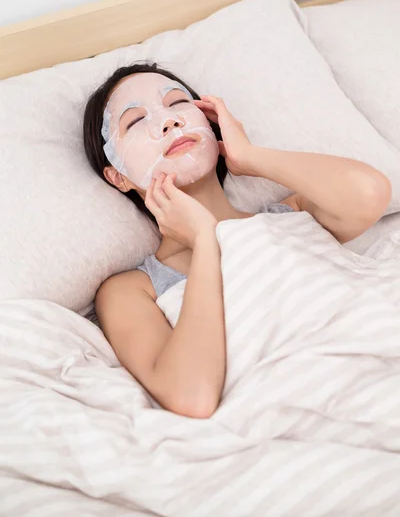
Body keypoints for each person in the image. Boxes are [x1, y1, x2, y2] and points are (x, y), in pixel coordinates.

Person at [83, 62, 391, 419]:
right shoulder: (133, 289)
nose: (169, 121)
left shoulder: (290, 216)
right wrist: (204, 244)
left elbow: (371, 193)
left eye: (178, 103)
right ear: (118, 177)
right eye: (136, 121)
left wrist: (251, 158)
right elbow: (191, 396)